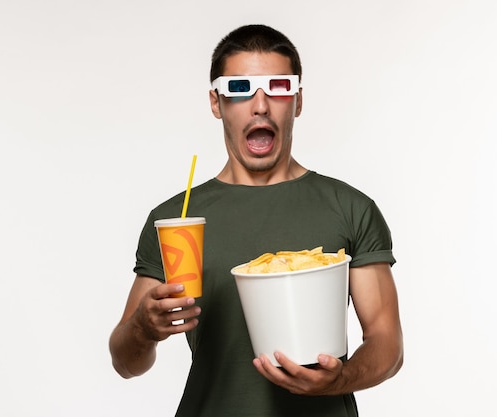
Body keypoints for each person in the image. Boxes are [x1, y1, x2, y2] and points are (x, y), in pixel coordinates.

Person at [109, 24, 403, 417]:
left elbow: (388, 343)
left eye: (278, 87)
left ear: (297, 101)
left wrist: (341, 379)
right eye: (239, 89)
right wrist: (143, 330)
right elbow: (127, 363)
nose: (260, 105)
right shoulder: (174, 220)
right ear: (216, 103)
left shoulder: (350, 209)